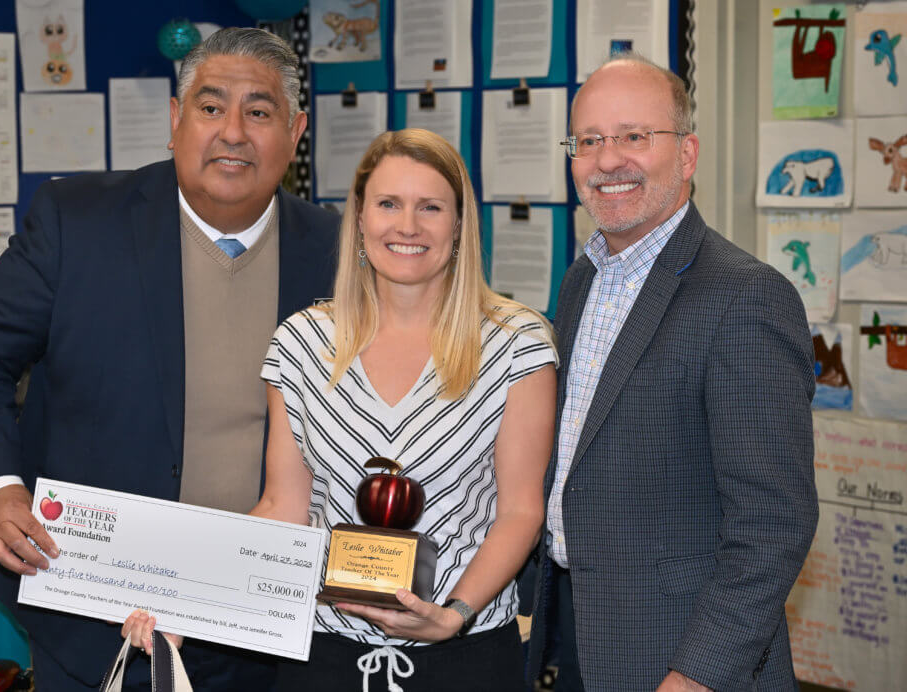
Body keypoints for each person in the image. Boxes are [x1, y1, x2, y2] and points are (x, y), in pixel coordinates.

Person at [0, 27, 339, 691]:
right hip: (96, 617)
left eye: (259, 112)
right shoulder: (78, 222)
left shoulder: (336, 248)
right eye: (211, 108)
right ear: (176, 120)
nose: (233, 132)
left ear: (295, 132)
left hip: (265, 624)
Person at [123, 128, 558, 691]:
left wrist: (451, 613)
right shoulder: (300, 343)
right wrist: (188, 595)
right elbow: (283, 505)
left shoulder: (515, 343)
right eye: (387, 204)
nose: (407, 225)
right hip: (322, 657)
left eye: (430, 207)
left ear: (459, 225)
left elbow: (521, 512)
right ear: (358, 220)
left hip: (465, 656)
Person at [527, 56, 818, 692]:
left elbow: (771, 527)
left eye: (634, 136)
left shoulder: (746, 297)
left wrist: (695, 678)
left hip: (680, 658)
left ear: (686, 155)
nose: (607, 161)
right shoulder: (583, 279)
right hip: (579, 635)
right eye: (590, 141)